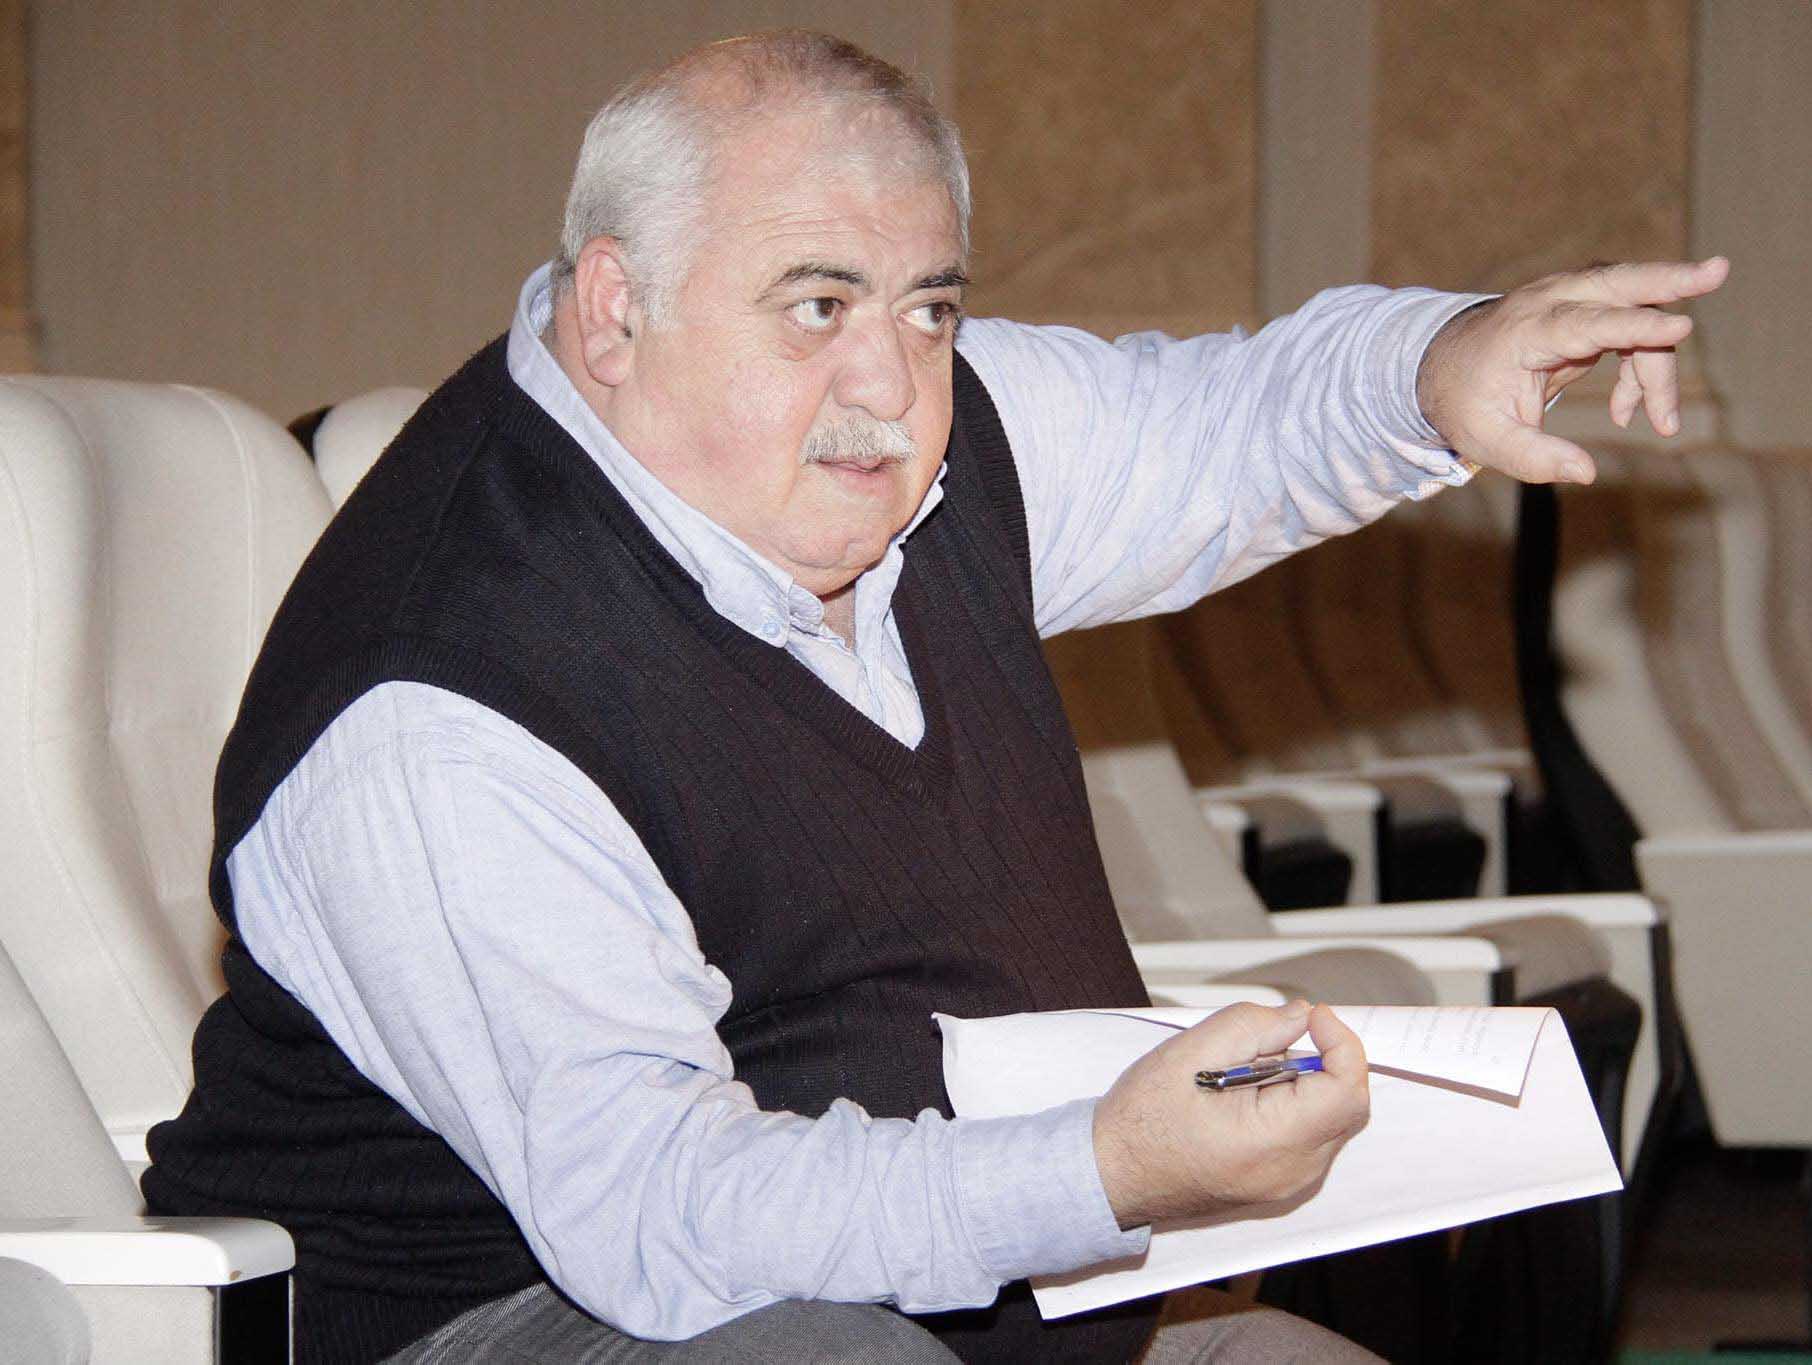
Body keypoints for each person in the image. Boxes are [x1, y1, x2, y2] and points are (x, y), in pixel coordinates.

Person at [141, 30, 1727, 1365]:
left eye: (931, 307)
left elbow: (1215, 421)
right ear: (615, 311)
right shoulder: (442, 700)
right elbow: (668, 1222)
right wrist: (1102, 1168)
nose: (892, 385)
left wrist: (1441, 365)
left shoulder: (913, 447)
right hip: (543, 1316)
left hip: (963, 1284)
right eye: (818, 306)